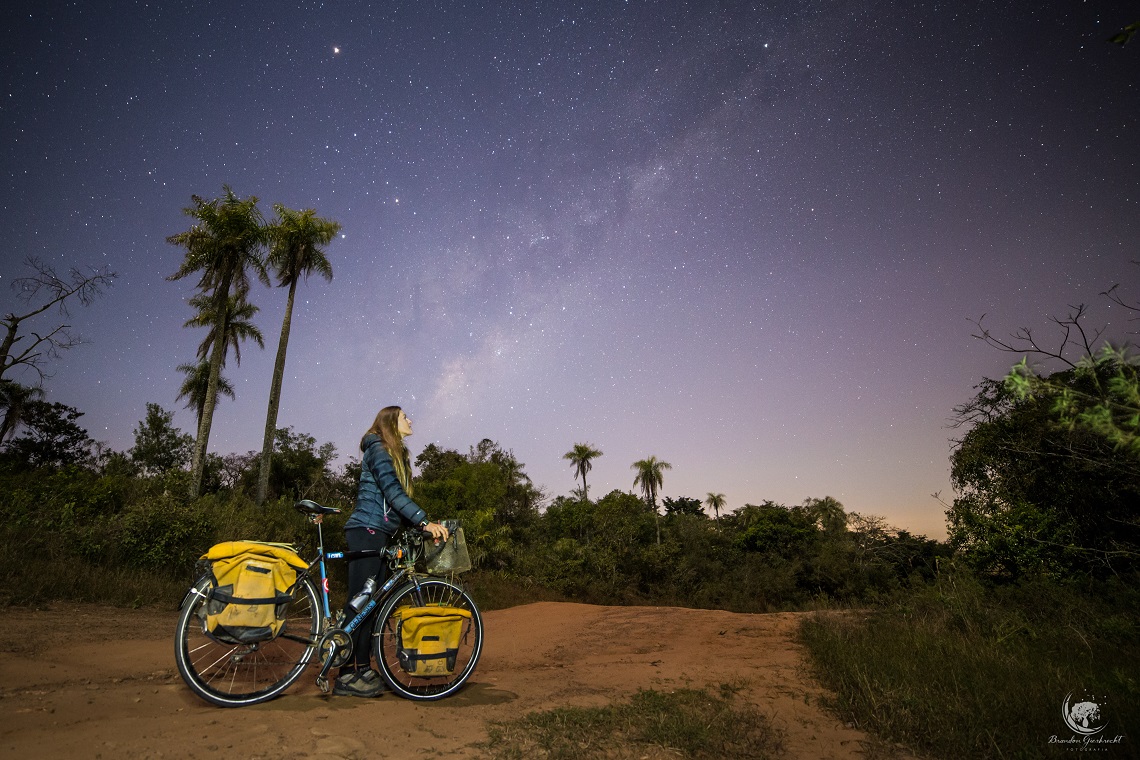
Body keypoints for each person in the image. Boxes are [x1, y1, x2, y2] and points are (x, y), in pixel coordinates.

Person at [335, 405, 449, 698]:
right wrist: (424, 520)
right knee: (359, 604)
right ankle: (346, 674)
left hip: (379, 532)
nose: (410, 420)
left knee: (370, 606)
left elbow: (395, 502)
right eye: (404, 417)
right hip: (366, 530)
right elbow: (392, 493)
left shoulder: (394, 454)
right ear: (390, 423)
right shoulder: (379, 450)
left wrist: (417, 526)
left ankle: (363, 667)